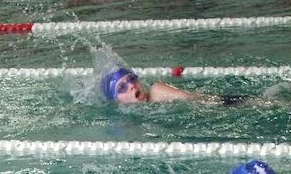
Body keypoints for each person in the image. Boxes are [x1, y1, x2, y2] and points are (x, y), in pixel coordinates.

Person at [101, 66, 249, 105]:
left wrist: (241, 102)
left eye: (132, 79)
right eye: (122, 87)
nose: (131, 86)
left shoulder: (157, 91)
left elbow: (196, 99)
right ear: (116, 100)